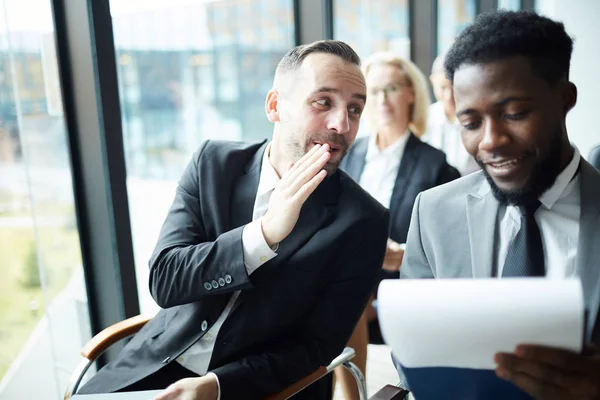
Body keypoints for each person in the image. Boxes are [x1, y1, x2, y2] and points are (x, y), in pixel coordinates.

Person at [78, 40, 390, 400]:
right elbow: (165, 279)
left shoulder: (364, 220)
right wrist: (262, 235)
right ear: (275, 106)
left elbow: (315, 347)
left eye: (354, 109)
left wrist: (216, 386)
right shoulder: (213, 164)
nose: (341, 124)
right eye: (323, 102)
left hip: (264, 388)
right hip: (155, 367)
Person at [400, 10, 600, 398]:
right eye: (471, 123)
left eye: (514, 114)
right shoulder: (434, 213)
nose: (490, 141)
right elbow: (413, 350)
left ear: (564, 99)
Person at [337, 52, 459, 400]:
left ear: (410, 93)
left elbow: (447, 252)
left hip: (398, 281)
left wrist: (403, 256)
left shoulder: (436, 167)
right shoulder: (349, 155)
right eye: (373, 91)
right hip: (349, 274)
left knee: (345, 298)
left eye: (390, 88)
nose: (382, 99)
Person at [422, 53, 479, 175]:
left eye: (454, 88)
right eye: (442, 88)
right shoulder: (424, 119)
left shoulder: (479, 118)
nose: (449, 96)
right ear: (432, 81)